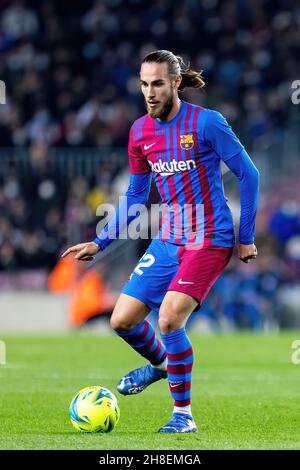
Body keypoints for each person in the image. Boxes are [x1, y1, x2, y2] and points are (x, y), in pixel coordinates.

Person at [62, 50, 259, 433]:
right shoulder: (140, 132)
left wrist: (245, 238)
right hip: (169, 238)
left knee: (169, 318)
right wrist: (99, 243)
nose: (149, 92)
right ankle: (162, 365)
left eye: (157, 84)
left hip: (210, 237)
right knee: (122, 320)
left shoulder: (208, 123)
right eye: (143, 84)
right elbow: (136, 197)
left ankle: (182, 415)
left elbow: (249, 175)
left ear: (176, 82)